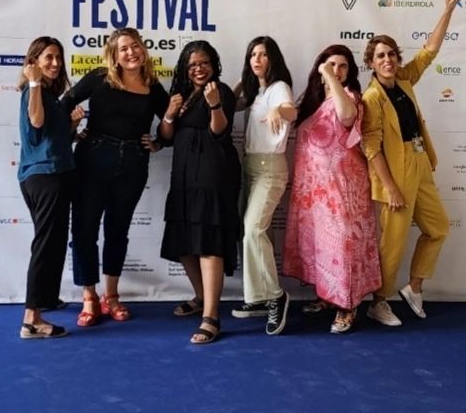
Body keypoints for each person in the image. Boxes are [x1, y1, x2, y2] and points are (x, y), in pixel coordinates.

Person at [362, 0, 459, 326]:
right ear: (371, 63)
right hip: (395, 171)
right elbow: (370, 147)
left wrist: (448, 10)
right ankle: (378, 302)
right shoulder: (371, 98)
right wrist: (390, 187)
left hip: (419, 161)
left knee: (439, 228)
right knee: (393, 243)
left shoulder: (404, 79)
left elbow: (429, 51)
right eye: (380, 56)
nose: (388, 60)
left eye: (391, 54)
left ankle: (414, 287)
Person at [62, 27, 169, 327]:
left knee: (117, 231)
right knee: (84, 229)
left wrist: (159, 143)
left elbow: (172, 122)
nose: (131, 52)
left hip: (133, 164)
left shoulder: (153, 86)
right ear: (114, 55)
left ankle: (111, 296)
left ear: (143, 49)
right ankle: (89, 297)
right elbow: (65, 104)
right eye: (123, 48)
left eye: (135, 46)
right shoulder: (100, 78)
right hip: (92, 161)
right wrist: (72, 130)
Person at [282, 44, 381, 334]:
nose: (337, 70)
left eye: (342, 66)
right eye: (331, 64)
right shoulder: (313, 101)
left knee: (342, 246)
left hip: (342, 189)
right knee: (321, 247)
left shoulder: (349, 96)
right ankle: (327, 296)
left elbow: (346, 116)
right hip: (313, 192)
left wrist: (329, 75)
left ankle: (347, 306)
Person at [160, 41, 241, 344]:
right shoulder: (179, 94)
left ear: (213, 64)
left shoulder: (221, 91)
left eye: (204, 63)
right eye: (192, 64)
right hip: (183, 177)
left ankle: (211, 316)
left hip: (213, 175)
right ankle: (200, 296)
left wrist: (215, 105)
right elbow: (166, 136)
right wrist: (170, 114)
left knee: (209, 243)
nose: (198, 69)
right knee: (184, 242)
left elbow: (219, 131)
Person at [18, 36, 83, 339]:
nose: (56, 63)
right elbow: (36, 124)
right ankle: (31, 319)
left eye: (58, 57)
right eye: (48, 57)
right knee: (46, 243)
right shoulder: (34, 92)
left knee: (55, 241)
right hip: (45, 177)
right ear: (34, 61)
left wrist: (72, 128)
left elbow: (51, 139)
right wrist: (33, 82)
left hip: (57, 174)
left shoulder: (50, 96)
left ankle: (46, 299)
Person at [232, 36, 297, 335]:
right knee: (253, 233)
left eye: (263, 55)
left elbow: (291, 110)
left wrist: (278, 111)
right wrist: (243, 80)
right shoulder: (256, 92)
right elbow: (230, 104)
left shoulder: (279, 87)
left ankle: (276, 296)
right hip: (250, 168)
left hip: (270, 169)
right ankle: (258, 298)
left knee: (253, 230)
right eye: (252, 55)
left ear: (274, 59)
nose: (257, 59)